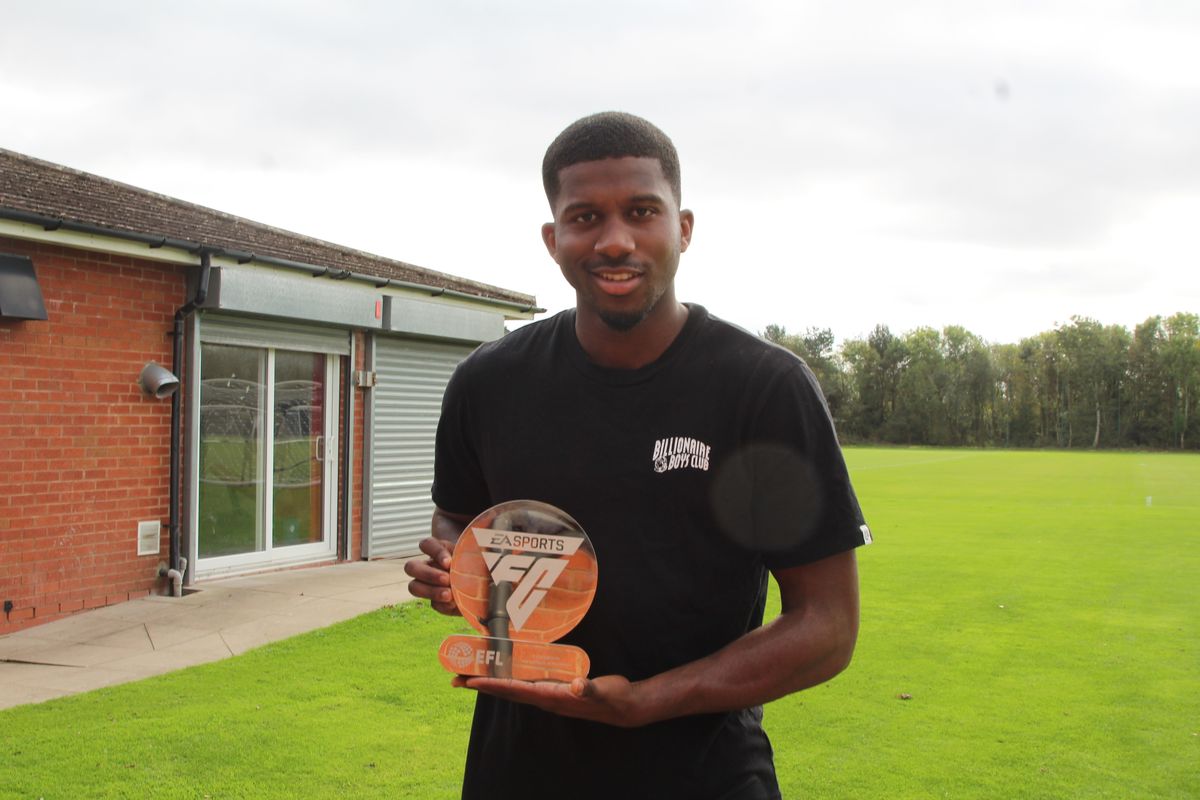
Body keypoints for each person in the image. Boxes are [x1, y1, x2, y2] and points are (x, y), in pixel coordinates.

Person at [405, 111, 871, 800]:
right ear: (552, 238)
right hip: (516, 771)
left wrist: (650, 700)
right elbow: (458, 519)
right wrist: (452, 569)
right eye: (585, 216)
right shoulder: (489, 382)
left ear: (683, 227)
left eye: (642, 211)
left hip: (703, 774)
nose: (615, 240)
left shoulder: (761, 389)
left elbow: (828, 626)